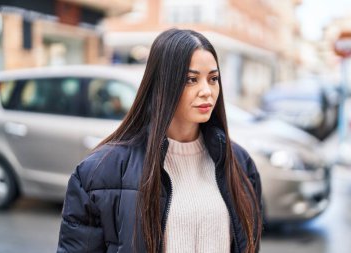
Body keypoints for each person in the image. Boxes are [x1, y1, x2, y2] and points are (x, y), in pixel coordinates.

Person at [57, 28, 262, 253]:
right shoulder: (99, 171)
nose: (207, 91)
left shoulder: (240, 164)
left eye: (213, 79)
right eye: (191, 79)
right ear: (162, 85)